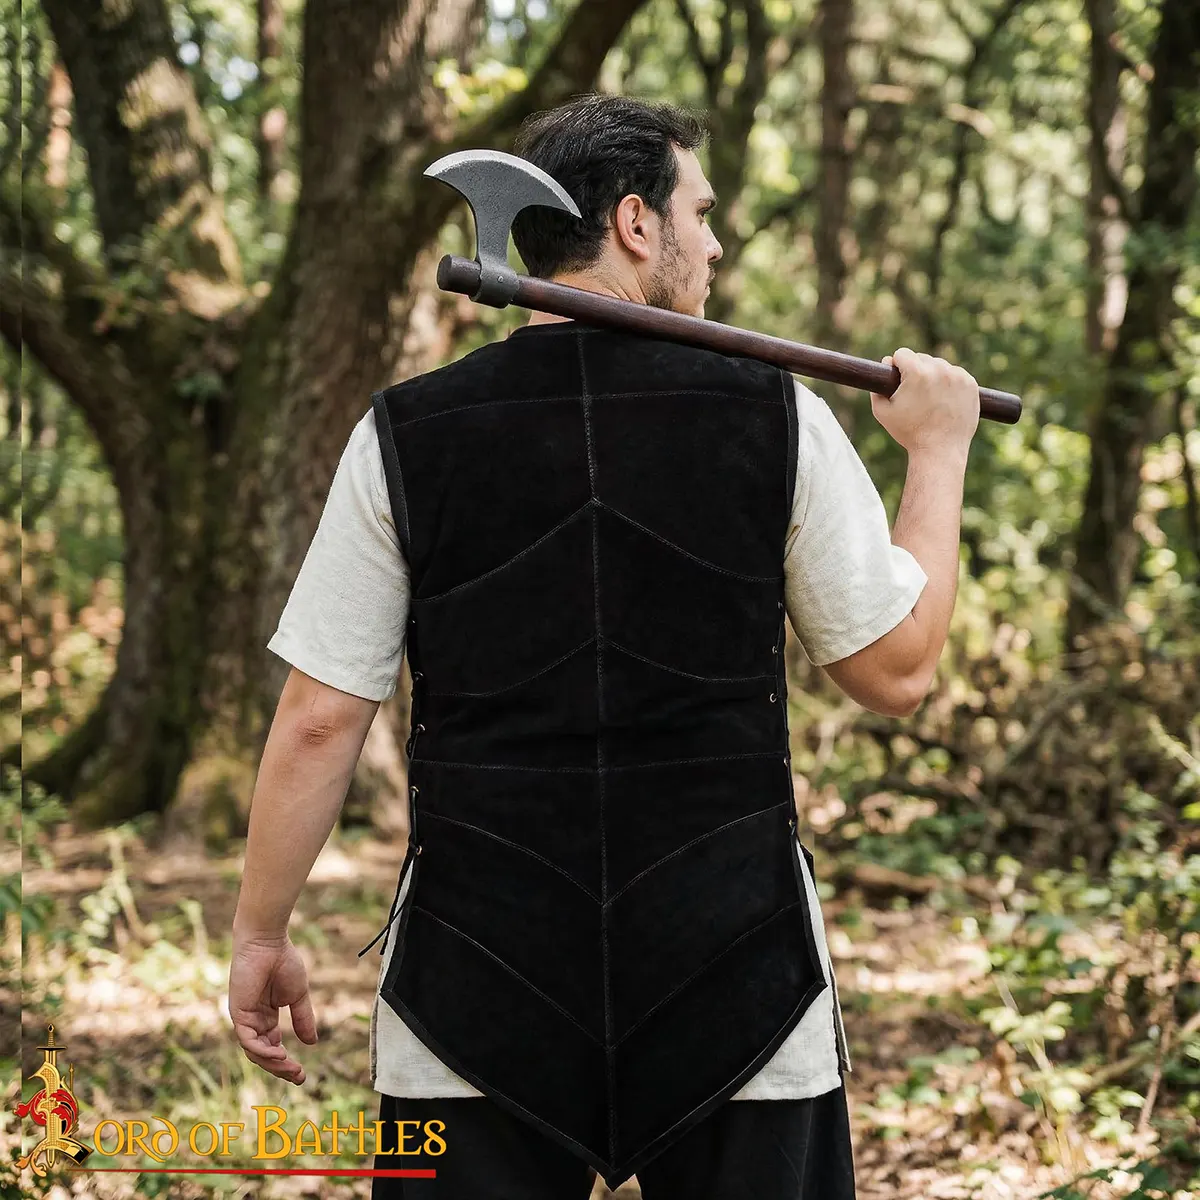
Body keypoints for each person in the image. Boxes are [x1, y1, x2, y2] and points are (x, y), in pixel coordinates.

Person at [228, 94, 980, 1198]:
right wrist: (940, 452)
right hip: (737, 978)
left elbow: (319, 719)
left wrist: (260, 934)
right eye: (701, 213)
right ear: (635, 222)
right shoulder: (776, 414)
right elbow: (898, 669)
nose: (715, 245)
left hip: (476, 985)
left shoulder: (404, 431)